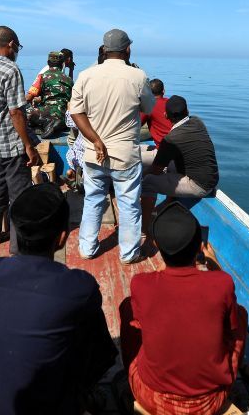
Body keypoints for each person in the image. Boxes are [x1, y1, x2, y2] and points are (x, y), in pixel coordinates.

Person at [0, 183, 116, 415]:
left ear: (16, 231)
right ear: (62, 237)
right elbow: (100, 355)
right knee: (92, 339)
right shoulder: (79, 287)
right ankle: (85, 396)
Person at [120, 203, 247, 415]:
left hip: (153, 399)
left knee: (127, 308)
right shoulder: (222, 282)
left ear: (157, 245)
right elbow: (225, 300)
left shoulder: (141, 284)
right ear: (200, 246)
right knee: (240, 315)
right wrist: (214, 264)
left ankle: (128, 380)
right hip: (211, 402)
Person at [69, 28, 154, 263]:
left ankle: (87, 249)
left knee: (93, 199)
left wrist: (95, 140)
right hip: (125, 155)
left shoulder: (86, 75)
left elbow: (75, 111)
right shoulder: (138, 76)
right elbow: (148, 108)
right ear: (127, 49)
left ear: (105, 50)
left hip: (93, 154)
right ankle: (128, 254)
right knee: (128, 204)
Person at [0, 25, 41, 253]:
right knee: (19, 196)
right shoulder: (10, 70)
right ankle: (17, 246)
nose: (17, 51)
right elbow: (16, 112)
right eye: (18, 46)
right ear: (11, 44)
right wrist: (28, 145)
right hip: (10, 144)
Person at [141, 96, 219, 230]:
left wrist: (140, 178)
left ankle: (143, 228)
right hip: (212, 178)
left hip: (199, 186)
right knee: (171, 163)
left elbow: (156, 170)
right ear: (187, 111)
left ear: (166, 115)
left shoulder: (171, 139)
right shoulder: (197, 122)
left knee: (148, 182)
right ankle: (169, 203)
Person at [25, 51, 74, 138]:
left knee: (23, 113)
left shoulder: (43, 76)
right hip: (64, 118)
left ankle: (46, 123)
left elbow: (29, 97)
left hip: (48, 114)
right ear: (62, 64)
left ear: (48, 63)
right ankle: (53, 124)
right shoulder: (69, 79)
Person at [140, 78, 172, 150]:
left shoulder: (148, 105)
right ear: (163, 91)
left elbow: (136, 125)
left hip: (163, 151)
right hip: (179, 147)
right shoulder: (171, 102)